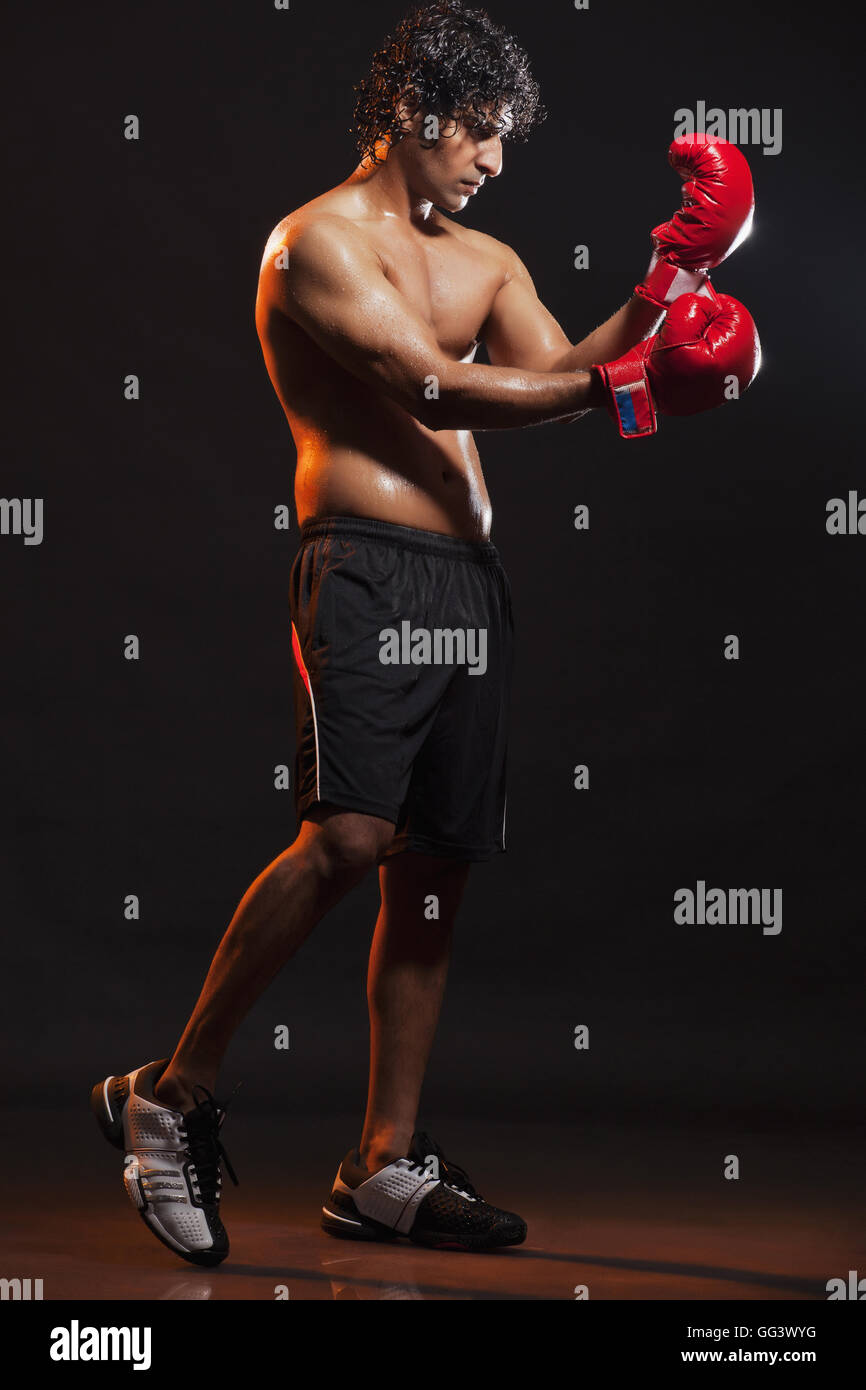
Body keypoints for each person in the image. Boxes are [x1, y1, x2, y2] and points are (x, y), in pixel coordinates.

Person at [91, 0, 758, 1265]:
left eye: (505, 138)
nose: (496, 160)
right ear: (414, 114)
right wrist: (629, 387)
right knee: (347, 833)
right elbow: (434, 385)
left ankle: (382, 1164)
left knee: (434, 868)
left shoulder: (489, 259)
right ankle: (165, 1098)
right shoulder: (311, 244)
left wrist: (673, 279)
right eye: (481, 132)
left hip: (467, 582)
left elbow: (556, 376)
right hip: (364, 572)